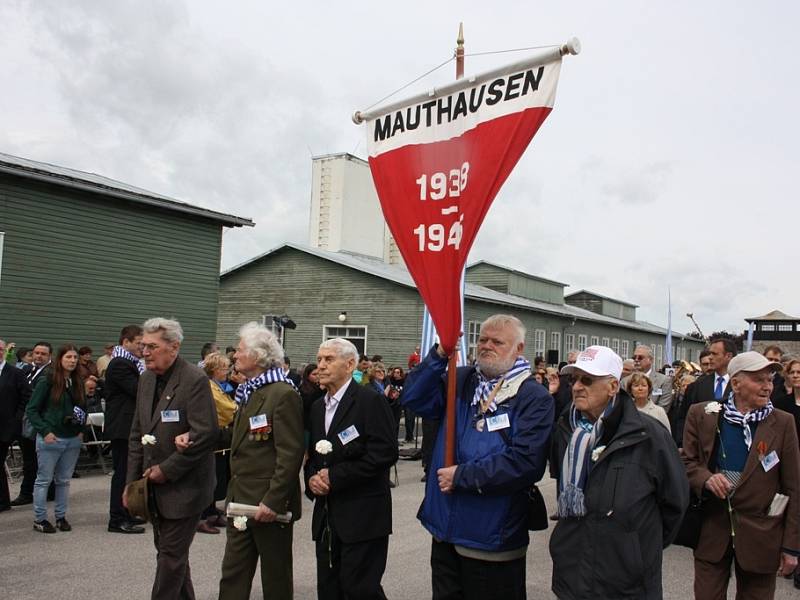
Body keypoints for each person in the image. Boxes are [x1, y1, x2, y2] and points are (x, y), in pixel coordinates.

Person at [402, 315, 554, 600]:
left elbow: (525, 463)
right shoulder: (460, 380)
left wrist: (462, 476)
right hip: (445, 529)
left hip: (492, 535)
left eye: (497, 342)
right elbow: (412, 398)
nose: (486, 346)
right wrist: (439, 355)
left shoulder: (533, 397)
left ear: (518, 348)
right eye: (482, 339)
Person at [550, 345, 688, 599]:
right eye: (574, 379)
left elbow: (675, 503)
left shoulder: (649, 435)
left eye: (588, 380)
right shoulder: (566, 429)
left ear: (613, 387)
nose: (577, 386)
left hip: (626, 582)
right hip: (573, 574)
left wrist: (634, 547)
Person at [683, 351, 800, 599]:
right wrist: (706, 478)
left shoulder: (783, 422)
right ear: (735, 383)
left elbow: (794, 487)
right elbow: (687, 462)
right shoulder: (702, 414)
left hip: (762, 535)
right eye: (759, 380)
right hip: (712, 531)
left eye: (769, 380)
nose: (768, 386)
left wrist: (792, 546)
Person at [209, 323, 305, 600]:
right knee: (233, 573)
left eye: (240, 350)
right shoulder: (250, 390)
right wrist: (198, 437)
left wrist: (274, 501)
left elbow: (289, 454)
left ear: (259, 355)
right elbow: (240, 438)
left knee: (275, 576)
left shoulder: (282, 394)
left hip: (267, 503)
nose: (234, 356)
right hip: (240, 499)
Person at [125, 318, 218, 600]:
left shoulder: (194, 380)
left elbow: (206, 434)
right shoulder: (146, 378)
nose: (145, 352)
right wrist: (130, 485)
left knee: (170, 557)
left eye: (152, 346)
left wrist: (167, 470)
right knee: (172, 557)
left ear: (174, 347)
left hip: (185, 488)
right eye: (143, 346)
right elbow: (137, 434)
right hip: (152, 489)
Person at [305, 338, 398, 600]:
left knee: (360, 590)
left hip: (363, 516)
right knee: (329, 588)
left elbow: (384, 452)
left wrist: (335, 476)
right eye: (320, 359)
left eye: (328, 359)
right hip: (327, 518)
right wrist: (312, 477)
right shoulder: (316, 406)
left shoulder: (370, 401)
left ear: (349, 365)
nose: (321, 366)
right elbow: (313, 455)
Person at [26, 344, 87, 533]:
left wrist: (81, 429)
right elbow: (32, 410)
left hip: (72, 438)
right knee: (44, 480)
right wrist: (45, 431)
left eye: (75, 358)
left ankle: (61, 516)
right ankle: (40, 518)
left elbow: (82, 408)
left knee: (64, 480)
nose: (72, 361)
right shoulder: (48, 381)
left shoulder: (77, 382)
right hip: (51, 438)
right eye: (68, 357)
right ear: (60, 359)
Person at [105, 325, 147, 534]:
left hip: (129, 426)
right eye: (139, 343)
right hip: (123, 427)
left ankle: (128, 511)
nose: (142, 347)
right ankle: (117, 518)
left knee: (131, 472)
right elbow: (138, 390)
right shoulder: (120, 364)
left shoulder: (131, 363)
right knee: (122, 473)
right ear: (126, 342)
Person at [197, 352, 237, 535]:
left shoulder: (217, 385)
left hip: (221, 436)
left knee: (218, 475)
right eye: (223, 368)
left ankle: (212, 511)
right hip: (213, 435)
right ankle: (202, 516)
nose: (226, 372)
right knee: (210, 476)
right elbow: (228, 408)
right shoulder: (208, 386)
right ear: (213, 369)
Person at [10, 341, 52, 507]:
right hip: (26, 421)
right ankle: (45, 490)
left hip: (38, 422)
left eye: (43, 354)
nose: (39, 356)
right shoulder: (28, 370)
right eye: (36, 353)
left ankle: (27, 492)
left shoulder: (48, 373)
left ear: (50, 356)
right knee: (31, 459)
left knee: (35, 460)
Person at [0, 339, 31, 512]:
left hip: (6, 426)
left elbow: (26, 396)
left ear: (5, 351)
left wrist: (16, 418)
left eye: (0, 349)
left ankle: (3, 502)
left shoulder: (15, 373)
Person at [686, 338, 737, 407]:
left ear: (728, 356)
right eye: (710, 353)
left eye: (714, 354)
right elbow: (685, 415)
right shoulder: (698, 385)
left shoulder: (741, 385)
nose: (710, 357)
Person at [625, 345, 673, 413]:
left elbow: (663, 407)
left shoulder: (664, 380)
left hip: (654, 420)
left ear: (650, 360)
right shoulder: (624, 381)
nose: (636, 360)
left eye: (640, 357)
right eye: (634, 357)